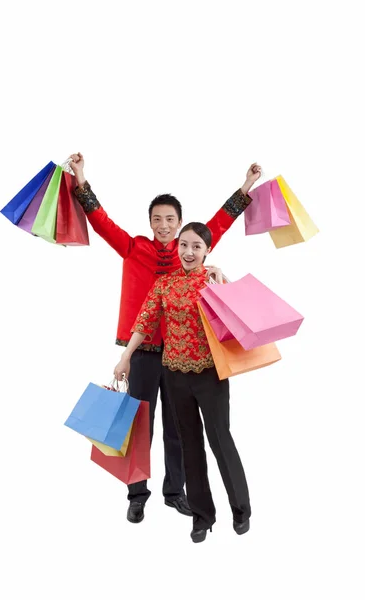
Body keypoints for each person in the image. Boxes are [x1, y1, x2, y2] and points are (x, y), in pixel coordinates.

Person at [70, 152, 260, 524]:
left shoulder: (190, 253)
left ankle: (176, 492)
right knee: (138, 426)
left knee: (178, 428)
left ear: (180, 224)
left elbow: (217, 226)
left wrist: (246, 187)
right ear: (150, 222)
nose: (163, 225)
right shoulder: (133, 247)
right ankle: (137, 494)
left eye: (170, 219)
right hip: (140, 354)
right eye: (157, 219)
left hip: (180, 357)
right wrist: (80, 176)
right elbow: (101, 221)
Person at [114, 222, 251, 543]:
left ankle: (241, 508)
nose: (189, 252)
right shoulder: (164, 284)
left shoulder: (213, 280)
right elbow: (144, 320)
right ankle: (202, 517)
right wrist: (125, 357)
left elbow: (240, 317)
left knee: (221, 440)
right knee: (190, 446)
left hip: (209, 375)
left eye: (196, 247)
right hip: (175, 375)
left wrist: (224, 284)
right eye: (184, 245)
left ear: (207, 251)